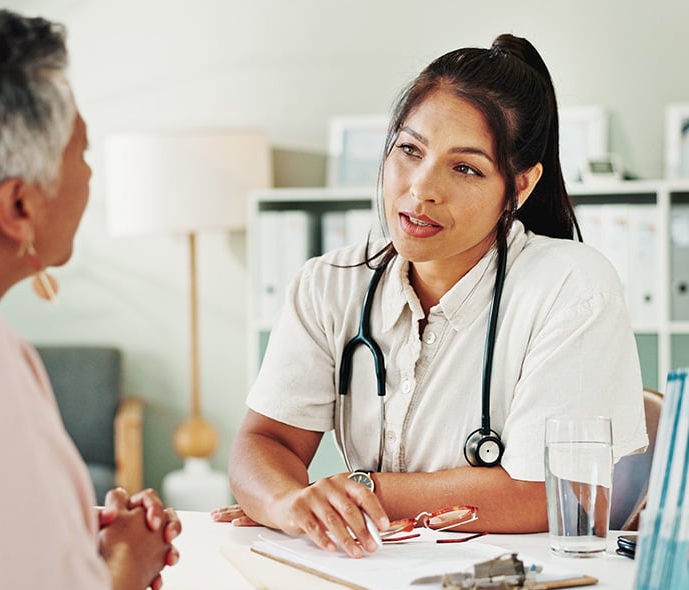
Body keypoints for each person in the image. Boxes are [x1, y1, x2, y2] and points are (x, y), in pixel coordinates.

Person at [213, 34, 648, 558]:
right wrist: (290, 505)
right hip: (369, 573)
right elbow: (266, 443)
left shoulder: (572, 288)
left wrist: (356, 494)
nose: (421, 188)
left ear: (520, 187)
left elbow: (549, 496)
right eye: (410, 150)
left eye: (464, 167)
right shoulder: (330, 283)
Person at [0, 6, 180, 590]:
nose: (90, 174)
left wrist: (73, 550)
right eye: (81, 151)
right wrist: (128, 559)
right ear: (19, 207)